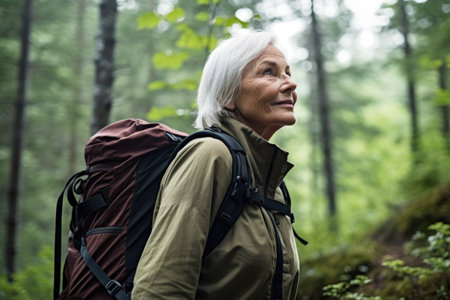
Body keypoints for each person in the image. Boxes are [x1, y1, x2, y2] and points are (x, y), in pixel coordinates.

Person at [132, 31, 300, 300]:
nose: (290, 84)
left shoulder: (271, 182)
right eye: (269, 72)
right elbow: (161, 285)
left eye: (288, 72)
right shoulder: (210, 154)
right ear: (227, 94)